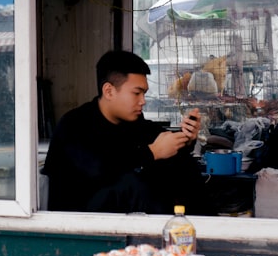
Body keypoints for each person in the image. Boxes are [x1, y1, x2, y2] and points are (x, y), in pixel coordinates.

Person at [43, 50, 213, 214]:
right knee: (133, 184)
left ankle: (204, 231)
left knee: (182, 166)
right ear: (109, 91)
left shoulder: (131, 121)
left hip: (115, 208)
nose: (143, 101)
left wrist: (186, 137)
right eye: (137, 93)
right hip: (77, 217)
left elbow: (159, 139)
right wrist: (152, 152)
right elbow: (99, 170)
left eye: (144, 94)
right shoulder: (74, 125)